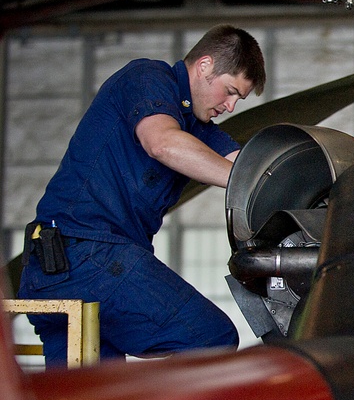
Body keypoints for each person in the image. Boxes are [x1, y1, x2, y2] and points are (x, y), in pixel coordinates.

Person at [18, 25, 265, 367]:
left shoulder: (196, 128)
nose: (231, 106)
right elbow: (162, 143)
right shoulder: (148, 77)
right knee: (210, 338)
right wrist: (247, 186)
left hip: (55, 268)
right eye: (230, 92)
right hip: (86, 253)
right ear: (205, 65)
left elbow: (246, 166)